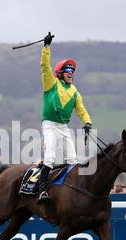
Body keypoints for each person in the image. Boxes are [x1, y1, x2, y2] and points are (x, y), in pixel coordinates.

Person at [36, 32, 92, 204]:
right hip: (50, 125)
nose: (71, 73)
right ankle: (41, 191)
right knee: (50, 157)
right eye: (67, 70)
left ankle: (71, 192)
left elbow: (81, 109)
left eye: (72, 71)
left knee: (73, 161)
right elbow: (45, 66)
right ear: (60, 73)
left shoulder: (75, 92)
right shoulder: (51, 83)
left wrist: (87, 122)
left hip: (63, 127)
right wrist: (46, 47)